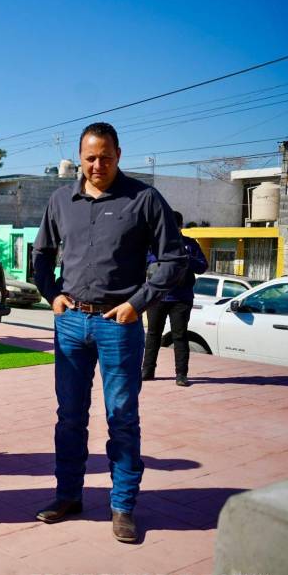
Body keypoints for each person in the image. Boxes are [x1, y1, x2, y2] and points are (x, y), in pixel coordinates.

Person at [32, 122, 187, 543]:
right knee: (69, 416)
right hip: (71, 324)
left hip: (119, 324)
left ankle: (122, 506)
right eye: (90, 157)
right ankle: (68, 495)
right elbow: (41, 254)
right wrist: (52, 295)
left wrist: (138, 303)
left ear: (119, 155)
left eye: (105, 157)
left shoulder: (144, 199)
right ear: (80, 158)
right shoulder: (61, 200)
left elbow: (174, 259)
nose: (97, 165)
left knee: (121, 417)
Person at [141, 211, 208, 387]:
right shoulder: (154, 244)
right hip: (156, 297)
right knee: (153, 334)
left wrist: (186, 257)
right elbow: (144, 264)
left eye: (174, 225)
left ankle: (181, 374)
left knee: (180, 336)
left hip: (181, 299)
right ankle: (147, 370)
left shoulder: (190, 244)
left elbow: (202, 266)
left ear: (180, 226)